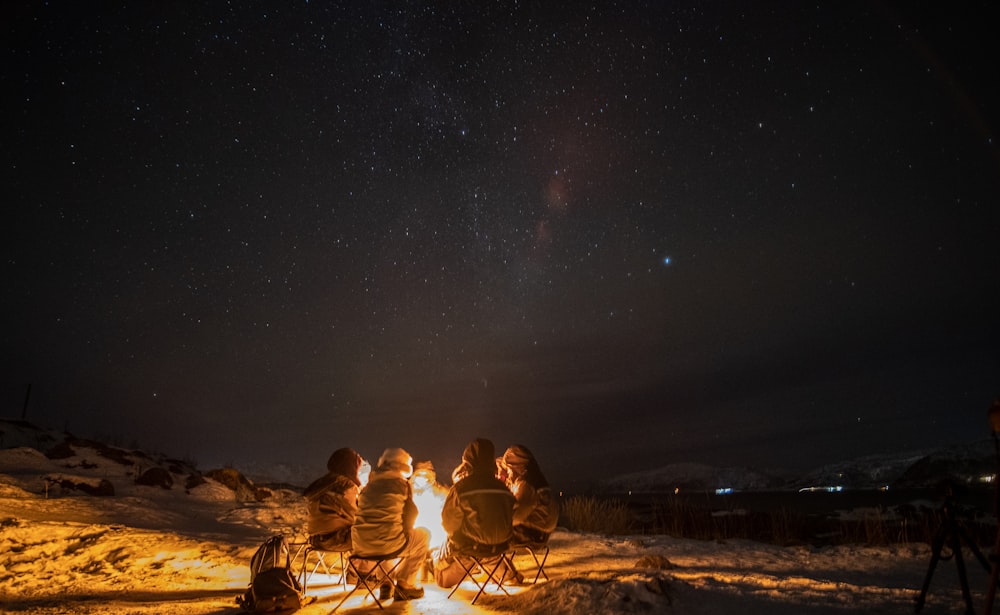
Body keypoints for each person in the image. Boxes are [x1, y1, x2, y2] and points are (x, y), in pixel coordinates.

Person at [434, 438, 515, 589]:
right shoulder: (504, 489)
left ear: (468, 462)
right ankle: (501, 571)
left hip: (470, 548)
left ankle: (442, 562)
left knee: (440, 579)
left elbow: (448, 523)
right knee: (483, 548)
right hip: (499, 547)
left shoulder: (461, 488)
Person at [351, 447, 430, 600]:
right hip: (386, 544)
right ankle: (405, 584)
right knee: (424, 535)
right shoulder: (402, 485)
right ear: (405, 467)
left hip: (360, 546)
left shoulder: (368, 487)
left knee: (383, 535)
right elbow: (411, 514)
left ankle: (385, 584)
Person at [499, 444, 559, 583]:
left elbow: (516, 516)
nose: (507, 474)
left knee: (490, 537)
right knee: (489, 535)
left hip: (533, 535)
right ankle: (498, 571)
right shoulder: (532, 479)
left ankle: (505, 574)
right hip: (538, 532)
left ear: (517, 467)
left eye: (508, 469)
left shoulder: (527, 485)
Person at [302, 448, 364, 552]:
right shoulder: (346, 486)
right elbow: (356, 515)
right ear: (351, 467)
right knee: (375, 535)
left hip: (316, 539)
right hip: (336, 539)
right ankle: (371, 568)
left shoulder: (325, 484)